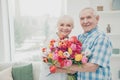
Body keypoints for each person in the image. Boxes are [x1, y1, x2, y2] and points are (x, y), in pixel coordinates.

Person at [66, 7, 113, 80]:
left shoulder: (101, 38)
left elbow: (92, 67)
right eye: (82, 18)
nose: (85, 21)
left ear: (97, 19)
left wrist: (64, 65)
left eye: (88, 17)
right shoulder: (78, 38)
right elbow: (75, 66)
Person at [39, 15, 75, 80]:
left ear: (72, 27)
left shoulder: (71, 43)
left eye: (68, 25)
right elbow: (50, 67)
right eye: (62, 25)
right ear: (57, 26)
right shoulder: (50, 41)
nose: (65, 28)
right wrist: (69, 70)